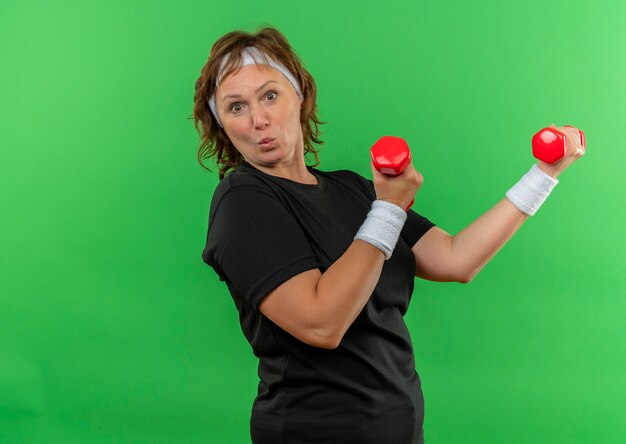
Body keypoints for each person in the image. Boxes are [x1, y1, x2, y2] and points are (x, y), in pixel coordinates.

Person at [192, 26, 585, 444]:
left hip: (396, 429)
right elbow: (321, 323)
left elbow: (457, 259)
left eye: (270, 95)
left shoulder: (353, 189)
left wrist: (543, 175)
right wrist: (390, 207)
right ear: (222, 125)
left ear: (299, 95)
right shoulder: (242, 201)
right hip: (314, 431)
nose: (259, 119)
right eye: (236, 107)